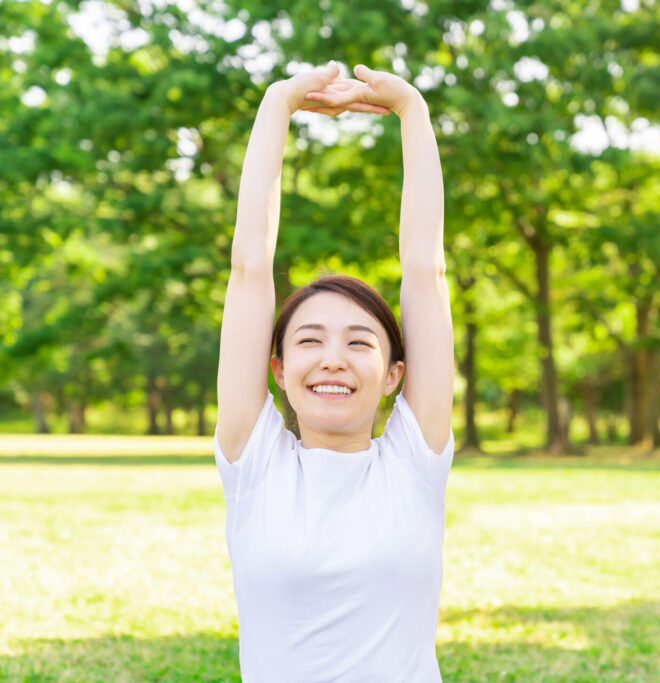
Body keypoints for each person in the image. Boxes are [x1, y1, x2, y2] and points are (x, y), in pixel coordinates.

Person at [214, 61, 454, 682]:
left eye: (360, 342)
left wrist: (413, 112)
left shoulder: (413, 460)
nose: (333, 359)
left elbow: (426, 272)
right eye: (310, 340)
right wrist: (276, 104)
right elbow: (249, 271)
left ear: (395, 374)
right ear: (278, 368)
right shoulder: (255, 462)